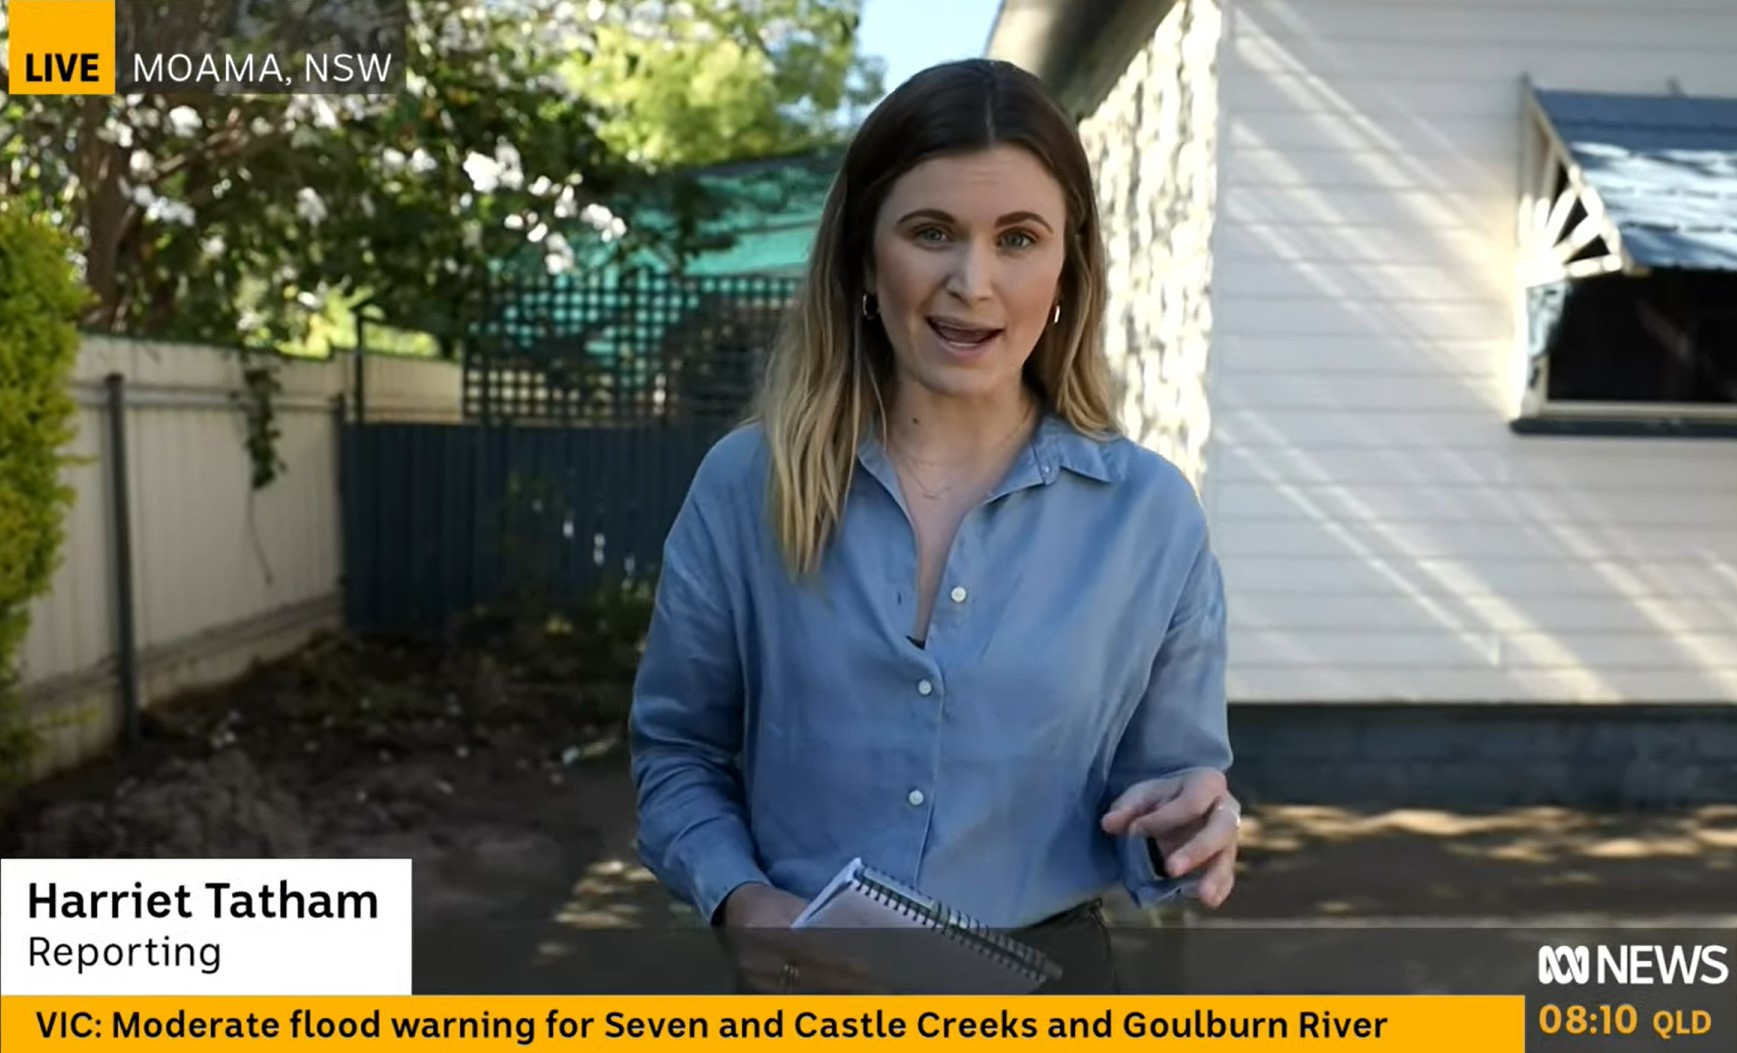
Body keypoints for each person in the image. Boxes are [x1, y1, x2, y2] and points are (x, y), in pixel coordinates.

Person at [628, 58, 1240, 993]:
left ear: (1069, 264)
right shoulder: (745, 485)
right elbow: (678, 753)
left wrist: (1188, 830)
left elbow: (1166, 794)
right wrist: (740, 900)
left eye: (1019, 238)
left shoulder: (1150, 516)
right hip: (802, 990)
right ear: (865, 258)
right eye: (930, 232)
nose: (973, 280)